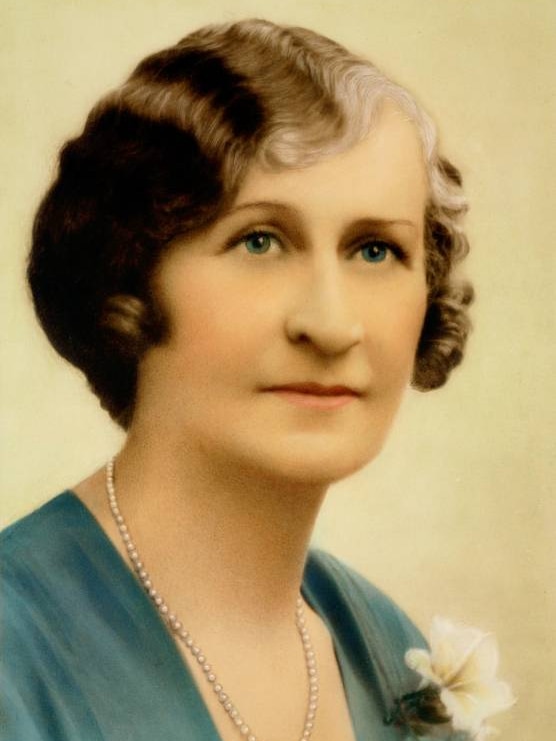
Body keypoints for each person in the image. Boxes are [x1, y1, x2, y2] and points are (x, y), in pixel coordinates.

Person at [1, 18, 473, 741]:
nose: (332, 323)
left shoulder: (392, 657)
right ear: (129, 277)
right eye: (260, 240)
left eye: (375, 250)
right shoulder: (16, 645)